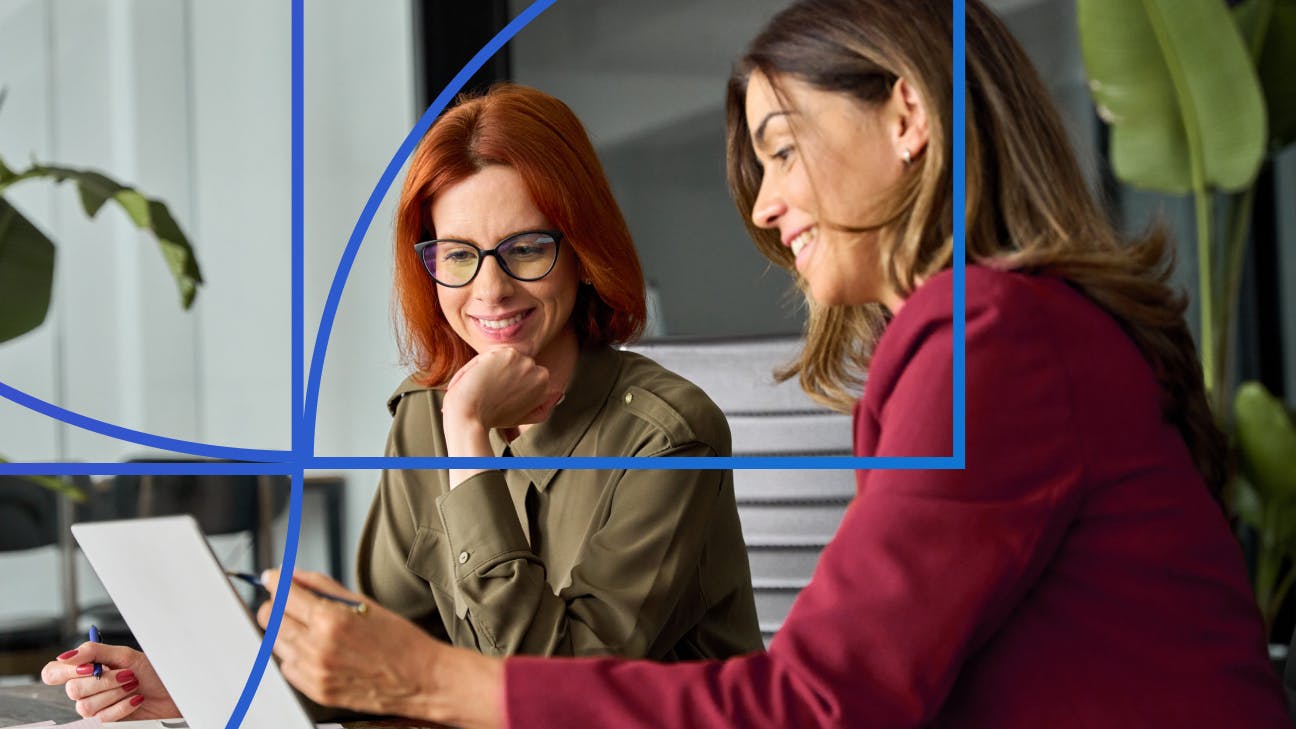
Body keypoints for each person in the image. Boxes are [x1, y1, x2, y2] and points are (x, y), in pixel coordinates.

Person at [234, 1, 1289, 726]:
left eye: (782, 146)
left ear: (908, 116)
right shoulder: (994, 336)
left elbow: (822, 703)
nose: (764, 202)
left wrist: (436, 685)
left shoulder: (995, 342)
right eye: (457, 257)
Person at [40, 84, 762, 722]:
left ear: (581, 250)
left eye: (526, 249)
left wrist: (469, 433)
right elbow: (384, 654)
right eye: (457, 254)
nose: (490, 290)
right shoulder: (425, 413)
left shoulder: (669, 437)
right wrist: (202, 686)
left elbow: (550, 693)